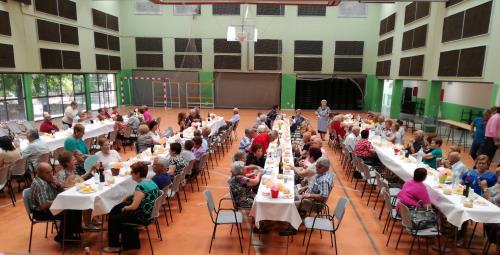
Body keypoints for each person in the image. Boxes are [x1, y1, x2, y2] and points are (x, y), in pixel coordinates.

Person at [104, 162, 160, 252]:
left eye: (132, 172)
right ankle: (114, 232)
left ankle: (114, 245)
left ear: (137, 174)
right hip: (150, 212)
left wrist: (125, 208)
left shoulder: (141, 186)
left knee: (114, 218)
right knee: (117, 207)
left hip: (142, 216)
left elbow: (134, 207)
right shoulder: (150, 181)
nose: (131, 174)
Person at [31, 162, 82, 243]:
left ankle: (73, 233)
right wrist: (60, 200)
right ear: (39, 173)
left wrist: (59, 185)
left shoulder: (50, 179)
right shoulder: (39, 184)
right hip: (41, 212)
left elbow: (61, 192)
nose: (51, 174)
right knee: (68, 212)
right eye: (47, 173)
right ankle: (62, 237)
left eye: (51, 171)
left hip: (53, 206)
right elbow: (43, 205)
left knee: (76, 206)